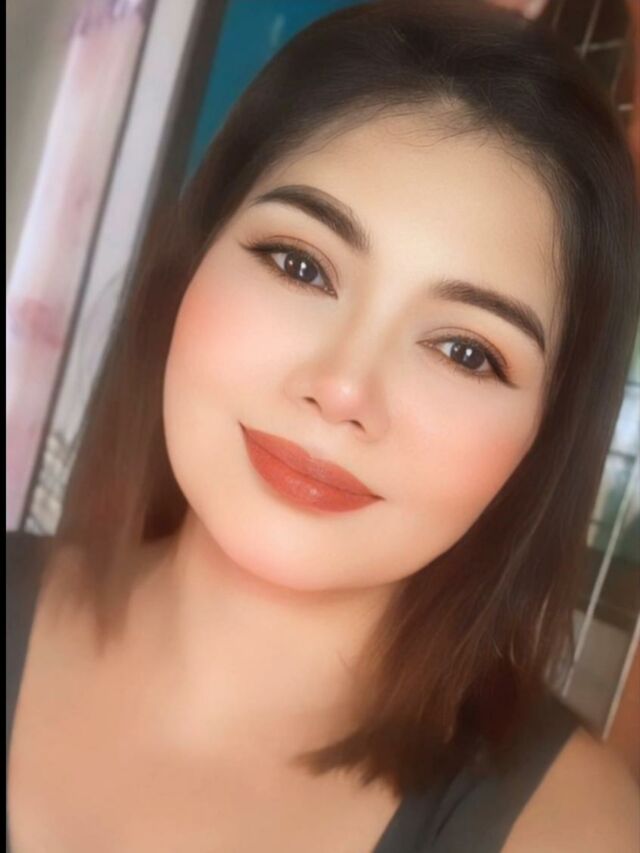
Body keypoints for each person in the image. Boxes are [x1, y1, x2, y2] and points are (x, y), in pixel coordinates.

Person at [6, 1, 640, 850]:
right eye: (301, 265)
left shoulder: (572, 827)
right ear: (193, 260)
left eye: (466, 351)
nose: (342, 389)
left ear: (544, 441)